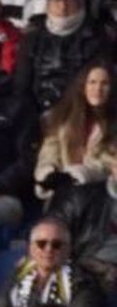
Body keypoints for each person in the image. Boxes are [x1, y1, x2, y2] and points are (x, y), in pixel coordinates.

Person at [14, 0, 103, 113]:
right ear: (48, 4)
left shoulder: (95, 38)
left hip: (77, 112)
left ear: (80, 3)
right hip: (36, 110)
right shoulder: (32, 38)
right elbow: (21, 85)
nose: (63, 5)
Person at [35, 62, 117, 202]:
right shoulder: (60, 119)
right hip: (62, 197)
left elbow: (110, 162)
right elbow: (48, 153)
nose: (98, 88)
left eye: (105, 84)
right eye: (92, 82)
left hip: (103, 198)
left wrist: (82, 173)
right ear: (82, 86)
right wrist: (49, 172)